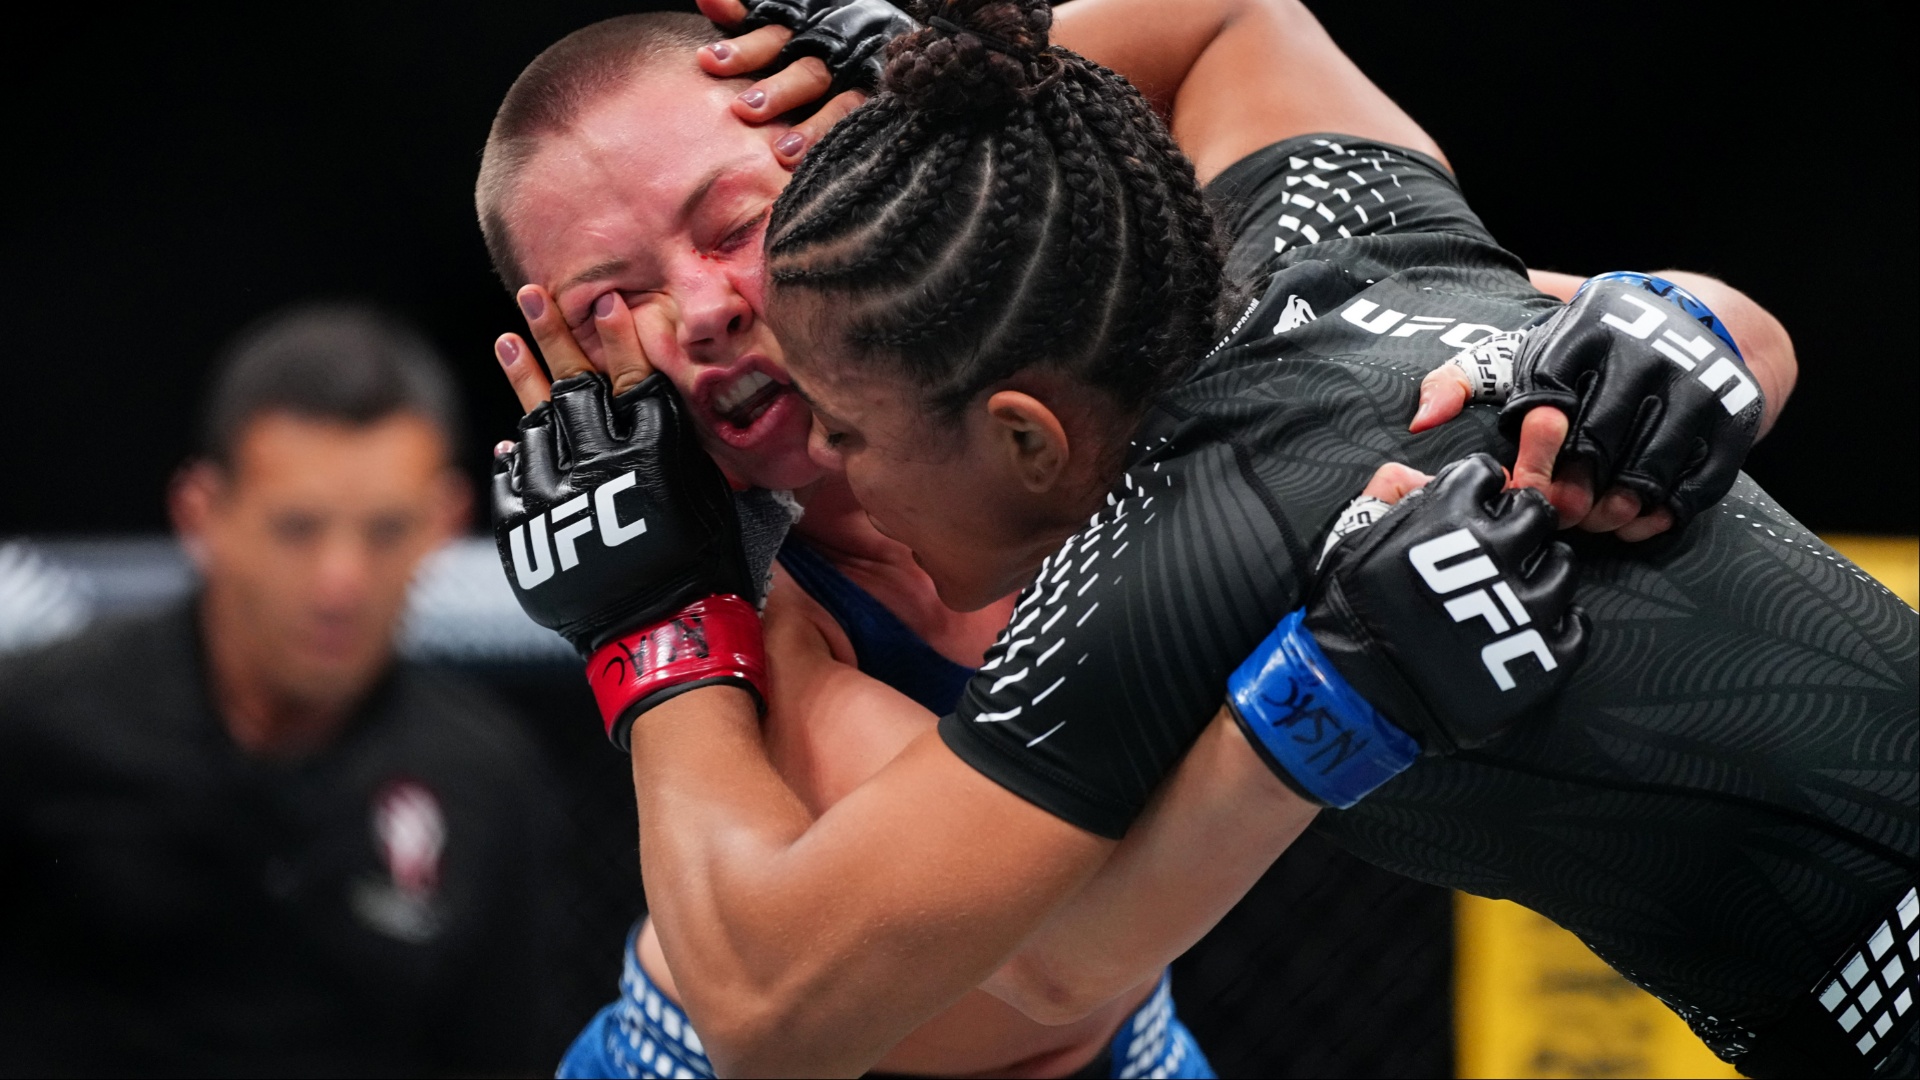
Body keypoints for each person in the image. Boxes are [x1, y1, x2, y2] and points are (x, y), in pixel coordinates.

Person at [486, 1, 1917, 1078]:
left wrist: (1700, 328)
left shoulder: (1175, 426)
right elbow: (871, 997)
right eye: (608, 303)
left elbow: (1245, 32)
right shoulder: (773, 612)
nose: (704, 311)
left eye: (731, 222)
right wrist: (654, 622)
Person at [0, 304, 568, 1076]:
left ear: (446, 521)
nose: (340, 582)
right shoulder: (34, 726)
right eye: (298, 528)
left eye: (385, 530)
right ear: (202, 514)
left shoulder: (485, 778)